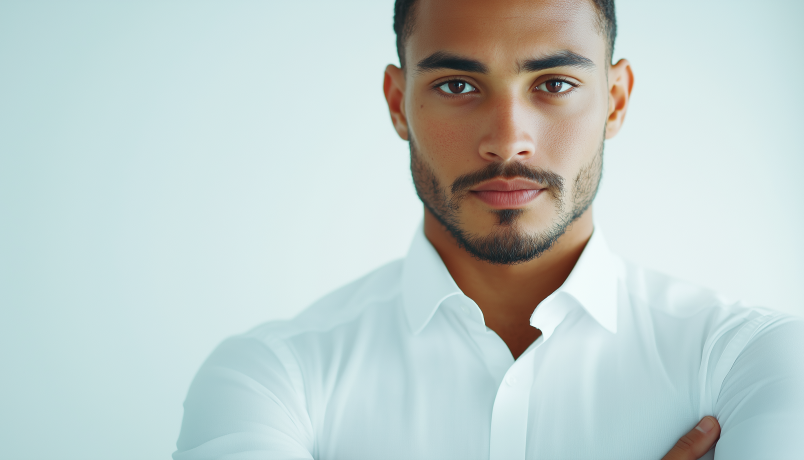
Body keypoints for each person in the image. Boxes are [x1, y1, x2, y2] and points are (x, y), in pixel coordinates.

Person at [173, 0, 804, 458]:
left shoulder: (750, 359)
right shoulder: (269, 377)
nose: (508, 140)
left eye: (554, 84)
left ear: (614, 100)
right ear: (398, 104)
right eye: (457, 84)